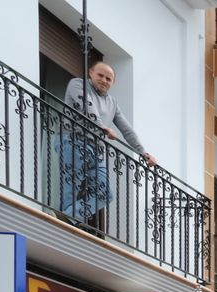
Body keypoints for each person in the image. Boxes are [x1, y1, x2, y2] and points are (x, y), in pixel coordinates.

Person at [58, 61, 154, 230]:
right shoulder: (78, 84)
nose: (104, 80)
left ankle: (67, 217)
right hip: (73, 141)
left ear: (113, 82)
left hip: (96, 150)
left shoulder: (112, 102)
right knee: (70, 188)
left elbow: (126, 129)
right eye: (100, 75)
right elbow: (87, 106)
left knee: (105, 193)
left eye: (108, 78)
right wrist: (101, 127)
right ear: (91, 73)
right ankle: (62, 225)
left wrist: (143, 153)